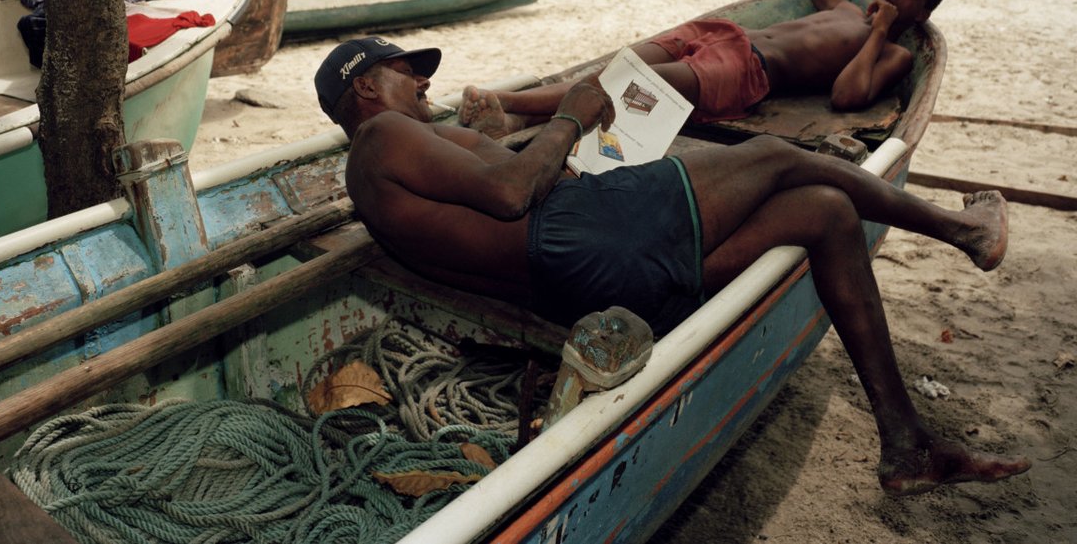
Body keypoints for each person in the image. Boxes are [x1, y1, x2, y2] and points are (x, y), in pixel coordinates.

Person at [313, 36, 1030, 497]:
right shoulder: (382, 135)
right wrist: (571, 112)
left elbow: (497, 203)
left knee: (824, 213)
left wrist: (551, 146)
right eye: (406, 72)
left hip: (581, 277)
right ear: (366, 90)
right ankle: (963, 229)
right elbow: (509, 194)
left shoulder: (380, 170)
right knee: (774, 155)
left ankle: (906, 445)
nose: (422, 82)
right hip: (582, 232)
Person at [462, 0, 944, 136]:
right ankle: (518, 119)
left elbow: (846, 96)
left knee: (630, 84)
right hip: (720, 34)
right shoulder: (845, 6)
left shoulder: (893, 53)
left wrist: (881, 30)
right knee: (620, 66)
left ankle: (505, 102)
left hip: (748, 70)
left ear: (921, 14)